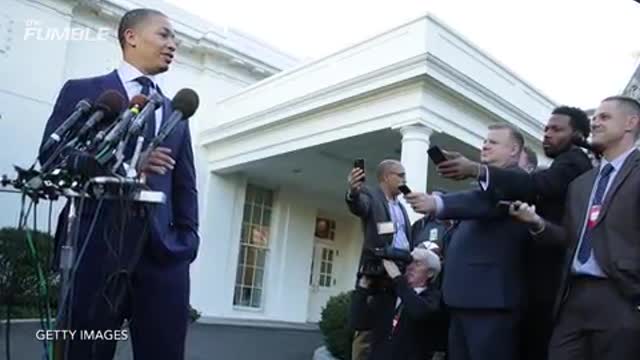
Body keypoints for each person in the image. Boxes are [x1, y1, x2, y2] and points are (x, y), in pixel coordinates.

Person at [39, 8, 198, 360]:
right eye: (164, 35)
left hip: (163, 256)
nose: (173, 44)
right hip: (95, 247)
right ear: (131, 36)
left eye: (175, 39)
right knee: (86, 351)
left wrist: (188, 240)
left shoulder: (177, 113)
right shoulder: (86, 93)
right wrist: (124, 164)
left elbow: (185, 185)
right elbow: (53, 155)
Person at [432, 106, 593, 360]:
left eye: (557, 129)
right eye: (546, 129)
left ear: (579, 136)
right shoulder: (555, 167)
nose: (547, 134)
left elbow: (537, 184)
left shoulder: (574, 161)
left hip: (544, 281)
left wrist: (477, 170)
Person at [510, 96, 640, 360]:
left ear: (631, 123)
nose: (595, 123)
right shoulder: (580, 184)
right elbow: (569, 237)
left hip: (622, 297)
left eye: (604, 117)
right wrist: (537, 224)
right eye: (595, 118)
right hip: (572, 297)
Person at [405, 124, 531, 360]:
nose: (485, 145)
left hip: (491, 303)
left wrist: (437, 203)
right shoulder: (486, 186)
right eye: (484, 141)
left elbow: (480, 202)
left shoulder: (517, 180)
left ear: (514, 150)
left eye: (493, 142)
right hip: (463, 300)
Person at [346, 159, 413, 360]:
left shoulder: (400, 207)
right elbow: (359, 206)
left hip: (397, 273)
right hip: (375, 273)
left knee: (385, 333)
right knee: (366, 332)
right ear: (386, 176)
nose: (404, 180)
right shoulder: (370, 196)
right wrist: (353, 192)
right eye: (400, 175)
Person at [350, 248, 443, 360]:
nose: (410, 267)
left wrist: (398, 279)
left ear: (430, 273)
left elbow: (419, 312)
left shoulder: (433, 298)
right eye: (409, 262)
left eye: (417, 263)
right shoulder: (390, 294)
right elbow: (359, 323)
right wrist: (362, 289)